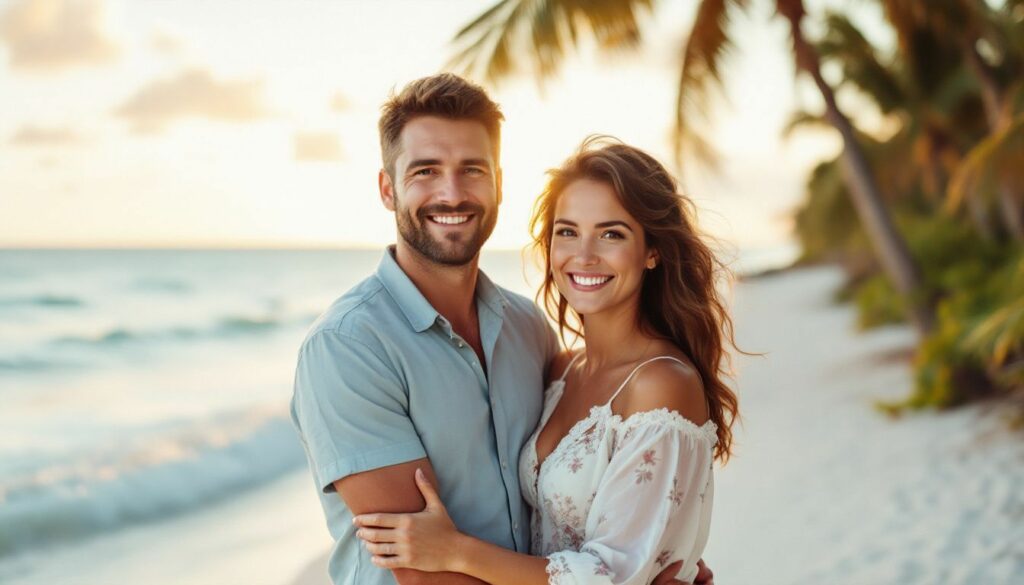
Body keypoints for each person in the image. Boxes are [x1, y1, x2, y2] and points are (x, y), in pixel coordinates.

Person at [291, 73, 710, 585]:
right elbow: (422, 574)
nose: (451, 193)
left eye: (472, 169)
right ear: (387, 189)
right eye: (425, 171)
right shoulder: (349, 348)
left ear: (499, 184)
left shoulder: (527, 331)